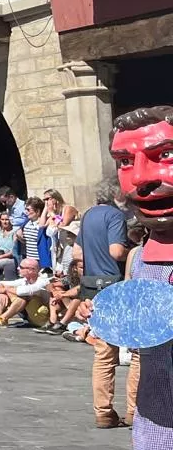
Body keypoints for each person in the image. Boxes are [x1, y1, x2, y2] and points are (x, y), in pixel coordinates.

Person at [106, 106, 173, 450]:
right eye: (126, 162)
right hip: (163, 413)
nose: (141, 179)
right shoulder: (145, 253)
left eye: (165, 155)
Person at [77, 180, 132, 428]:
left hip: (91, 284)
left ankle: (103, 411)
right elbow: (116, 252)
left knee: (103, 353)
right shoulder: (115, 216)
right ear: (117, 194)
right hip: (113, 284)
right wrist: (132, 247)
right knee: (137, 349)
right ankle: (134, 410)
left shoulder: (88, 215)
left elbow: (78, 253)